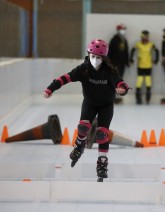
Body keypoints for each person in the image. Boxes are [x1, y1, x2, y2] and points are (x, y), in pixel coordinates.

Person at [43, 39, 130, 182]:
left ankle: (102, 163)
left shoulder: (110, 70)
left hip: (106, 106)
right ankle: (80, 144)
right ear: (88, 54)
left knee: (102, 134)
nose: (95, 60)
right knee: (83, 127)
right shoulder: (83, 69)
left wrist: (123, 89)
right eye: (93, 56)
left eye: (99, 57)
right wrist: (50, 88)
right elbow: (65, 78)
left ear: (104, 58)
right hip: (90, 103)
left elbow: (120, 82)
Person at [130, 30, 159, 104]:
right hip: (140, 65)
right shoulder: (138, 44)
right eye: (144, 37)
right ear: (141, 37)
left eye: (147, 37)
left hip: (148, 65)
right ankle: (138, 97)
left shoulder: (151, 44)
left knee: (148, 80)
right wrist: (131, 59)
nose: (145, 38)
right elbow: (132, 50)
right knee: (139, 80)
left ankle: (148, 96)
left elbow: (157, 51)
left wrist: (156, 60)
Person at [108, 24, 130, 104]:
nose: (123, 31)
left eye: (124, 29)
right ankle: (112, 96)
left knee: (120, 80)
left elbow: (126, 52)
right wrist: (110, 62)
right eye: (122, 29)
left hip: (122, 63)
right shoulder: (114, 40)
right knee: (114, 79)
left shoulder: (124, 40)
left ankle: (117, 96)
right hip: (115, 63)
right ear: (118, 30)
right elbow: (109, 52)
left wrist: (127, 61)